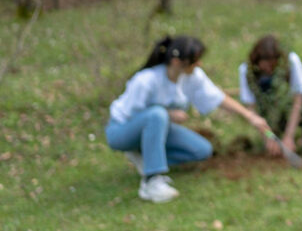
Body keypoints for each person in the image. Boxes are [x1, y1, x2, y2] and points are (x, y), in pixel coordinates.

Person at [105, 35, 271, 203]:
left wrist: (250, 116)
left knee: (201, 150)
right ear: (177, 62)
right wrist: (168, 114)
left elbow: (217, 97)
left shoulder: (191, 77)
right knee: (157, 114)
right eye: (195, 60)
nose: (199, 64)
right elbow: (130, 114)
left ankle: (147, 159)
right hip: (121, 131)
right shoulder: (147, 80)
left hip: (159, 128)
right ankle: (151, 182)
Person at [238, 34, 302, 157]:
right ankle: (277, 134)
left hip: (296, 112)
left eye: (273, 66)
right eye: (266, 66)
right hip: (273, 118)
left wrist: (289, 136)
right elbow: (252, 110)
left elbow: (298, 100)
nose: (269, 70)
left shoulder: (290, 62)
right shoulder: (247, 72)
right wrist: (268, 136)